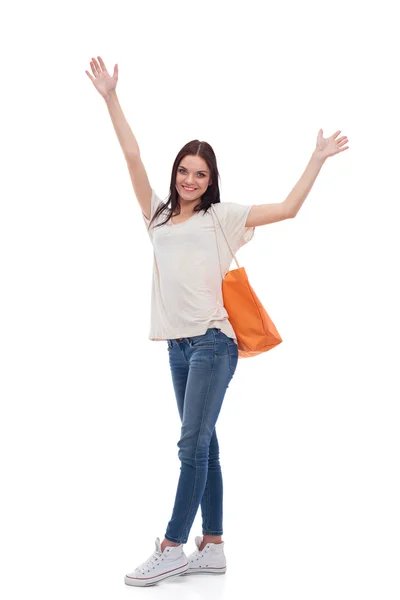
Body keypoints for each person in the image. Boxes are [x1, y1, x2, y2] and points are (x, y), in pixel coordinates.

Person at [85, 56, 349, 587]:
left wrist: (317, 158)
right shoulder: (156, 214)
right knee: (205, 443)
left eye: (199, 174)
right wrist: (111, 97)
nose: (189, 179)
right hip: (177, 347)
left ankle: (173, 545)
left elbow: (289, 208)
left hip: (213, 342)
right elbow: (131, 154)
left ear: (211, 181)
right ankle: (215, 548)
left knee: (191, 445)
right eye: (183, 171)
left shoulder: (220, 217)